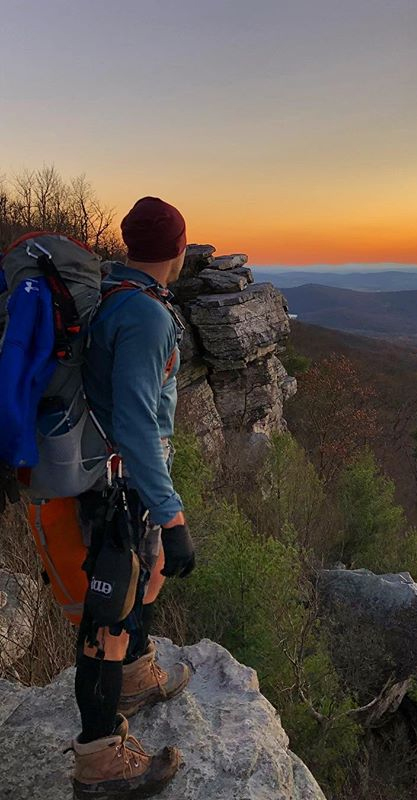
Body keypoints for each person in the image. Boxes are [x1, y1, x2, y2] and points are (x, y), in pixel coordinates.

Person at [70, 197, 196, 799]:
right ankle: (100, 760)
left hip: (108, 476)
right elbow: (138, 423)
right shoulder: (144, 317)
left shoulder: (111, 295)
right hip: (122, 485)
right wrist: (172, 516)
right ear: (177, 248)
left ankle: (135, 676)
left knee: (135, 582)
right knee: (110, 610)